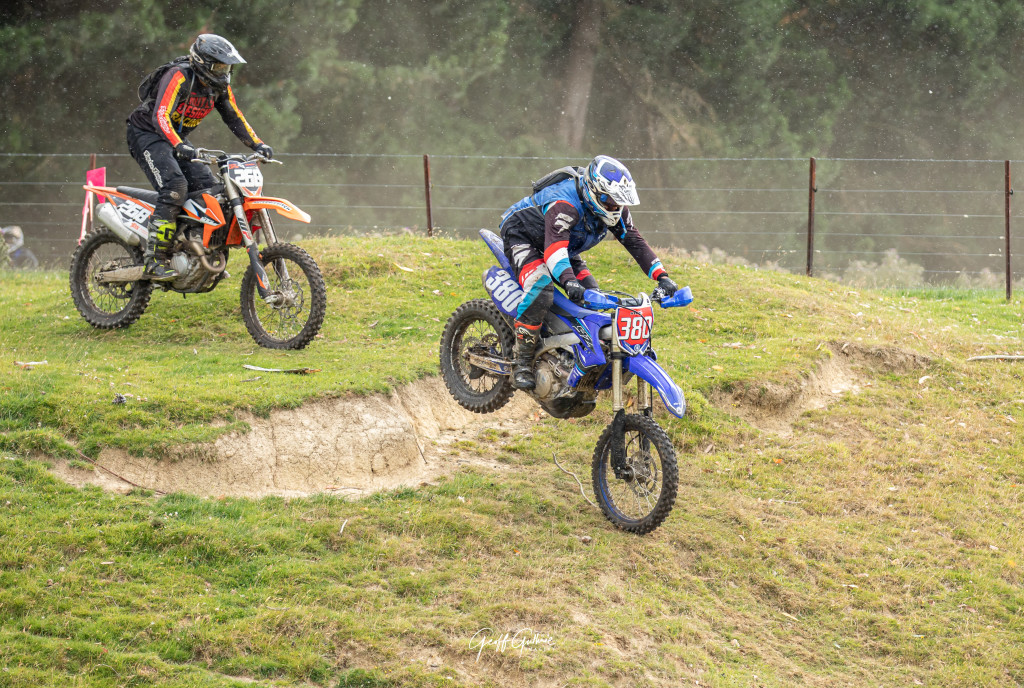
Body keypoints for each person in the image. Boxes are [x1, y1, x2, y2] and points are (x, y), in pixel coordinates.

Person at [499, 155, 679, 390]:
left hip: (563, 244)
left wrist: (662, 276)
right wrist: (568, 280)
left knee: (592, 295)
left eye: (619, 202)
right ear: (595, 193)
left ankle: (567, 353)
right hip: (524, 236)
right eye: (611, 201)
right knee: (541, 288)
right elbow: (554, 251)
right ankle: (521, 362)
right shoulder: (565, 203)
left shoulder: (614, 210)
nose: (615, 207)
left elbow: (634, 241)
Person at [126, 34, 273, 281]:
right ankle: (155, 260)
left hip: (176, 137)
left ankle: (197, 253)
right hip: (147, 134)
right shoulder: (179, 75)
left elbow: (234, 116)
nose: (224, 72)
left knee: (210, 190)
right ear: (203, 63)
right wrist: (178, 145)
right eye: (219, 66)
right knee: (175, 187)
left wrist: (258, 144)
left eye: (227, 67)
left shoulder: (219, 87)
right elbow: (161, 115)